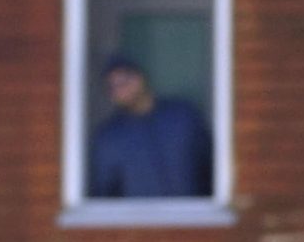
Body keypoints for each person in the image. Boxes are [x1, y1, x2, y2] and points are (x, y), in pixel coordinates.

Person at [88, 53, 212, 199]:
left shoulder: (182, 116)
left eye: (125, 81)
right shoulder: (109, 137)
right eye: (113, 86)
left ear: (140, 78)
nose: (121, 89)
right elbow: (104, 192)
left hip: (193, 215)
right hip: (138, 218)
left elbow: (209, 165)